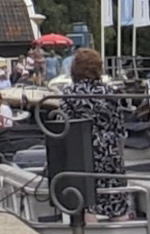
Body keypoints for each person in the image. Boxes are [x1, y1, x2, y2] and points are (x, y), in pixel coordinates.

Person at [60, 47, 140, 220]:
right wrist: (119, 156)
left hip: (83, 151)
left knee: (87, 201)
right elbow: (119, 128)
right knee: (115, 198)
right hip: (109, 150)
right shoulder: (110, 93)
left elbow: (63, 127)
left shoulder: (70, 93)